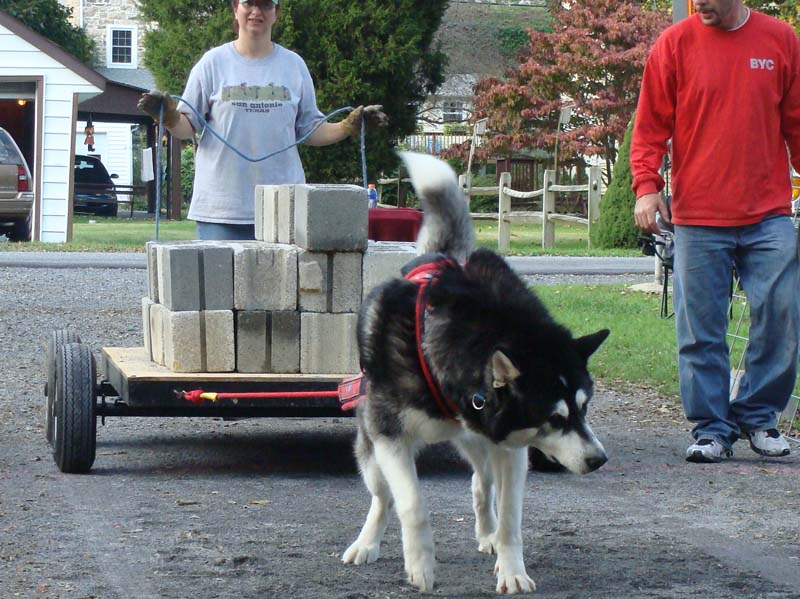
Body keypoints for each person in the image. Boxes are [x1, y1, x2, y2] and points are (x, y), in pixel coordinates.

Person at [631, 0, 800, 463]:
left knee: (782, 314)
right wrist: (647, 188)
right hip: (698, 217)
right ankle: (712, 429)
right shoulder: (674, 45)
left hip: (768, 213)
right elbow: (649, 129)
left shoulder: (781, 40)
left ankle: (759, 416)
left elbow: (798, 125)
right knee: (700, 329)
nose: (699, 3)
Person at [138, 0, 386, 241]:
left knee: (284, 284)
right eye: (249, 4)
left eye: (266, 4)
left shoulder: (294, 65)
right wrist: (169, 116)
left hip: (285, 208)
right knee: (223, 283)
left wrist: (346, 126)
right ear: (236, 8)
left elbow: (311, 130)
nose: (257, 11)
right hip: (221, 210)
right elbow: (186, 128)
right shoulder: (212, 63)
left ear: (276, 12)